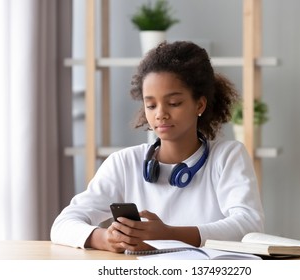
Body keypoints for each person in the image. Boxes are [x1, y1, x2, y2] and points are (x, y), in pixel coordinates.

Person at [50, 41, 264, 253]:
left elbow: (248, 226)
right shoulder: (124, 163)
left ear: (199, 104)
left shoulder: (227, 156)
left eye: (174, 103)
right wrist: (105, 239)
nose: (160, 113)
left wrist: (169, 235)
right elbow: (62, 225)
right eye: (151, 105)